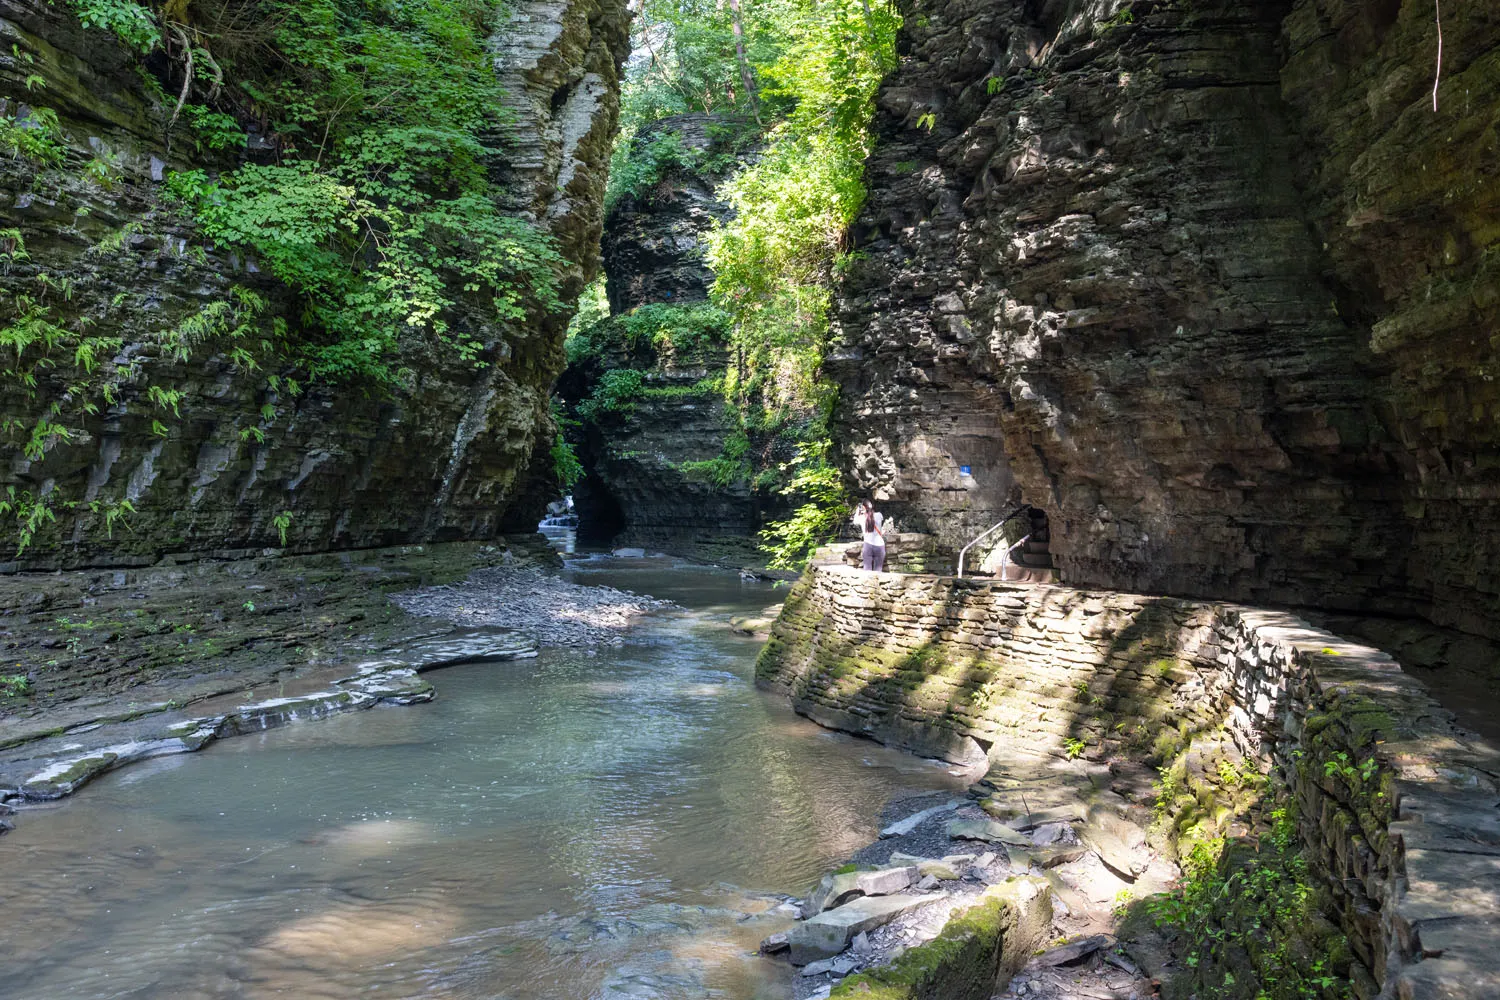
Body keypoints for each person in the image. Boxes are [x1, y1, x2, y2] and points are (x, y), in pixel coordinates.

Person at [854, 500, 886, 572]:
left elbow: (855, 521)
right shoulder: (879, 515)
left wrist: (858, 511)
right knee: (878, 571)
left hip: (868, 545)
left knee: (867, 571)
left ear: (863, 508)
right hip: (880, 545)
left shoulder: (861, 518)